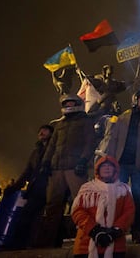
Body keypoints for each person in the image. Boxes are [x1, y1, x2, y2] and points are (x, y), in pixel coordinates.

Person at [96, 89, 140, 244]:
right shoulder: (122, 118)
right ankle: (116, 229)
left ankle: (136, 230)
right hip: (120, 163)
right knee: (116, 197)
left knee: (139, 198)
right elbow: (113, 139)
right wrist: (109, 159)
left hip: (139, 165)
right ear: (135, 100)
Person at [41, 94, 96, 247]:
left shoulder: (85, 121)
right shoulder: (59, 124)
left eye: (72, 102)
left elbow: (90, 142)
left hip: (75, 167)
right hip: (57, 168)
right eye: (67, 103)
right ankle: (50, 240)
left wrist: (83, 161)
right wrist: (46, 162)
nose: (70, 105)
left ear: (78, 103)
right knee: (53, 204)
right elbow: (51, 145)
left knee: (81, 203)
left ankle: (85, 237)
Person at [71, 156, 135, 258]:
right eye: (103, 166)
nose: (107, 168)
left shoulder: (124, 190)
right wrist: (94, 231)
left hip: (115, 244)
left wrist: (114, 231)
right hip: (86, 244)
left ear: (116, 169)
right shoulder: (86, 189)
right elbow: (78, 212)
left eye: (110, 166)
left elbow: (129, 212)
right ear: (97, 170)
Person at [4, 124, 54, 249]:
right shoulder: (35, 152)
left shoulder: (55, 150)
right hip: (35, 188)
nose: (41, 132)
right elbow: (27, 172)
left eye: (45, 130)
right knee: (28, 216)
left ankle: (30, 244)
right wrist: (15, 187)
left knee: (43, 217)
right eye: (40, 131)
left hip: (49, 187)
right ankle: (22, 244)